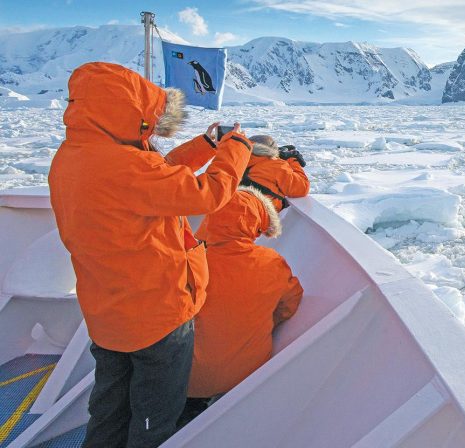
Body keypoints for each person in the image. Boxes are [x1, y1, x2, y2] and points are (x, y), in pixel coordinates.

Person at [48, 61, 252, 447]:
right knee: (153, 416)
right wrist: (236, 150)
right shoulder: (127, 167)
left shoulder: (75, 155)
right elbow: (206, 195)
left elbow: (159, 175)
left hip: (108, 312)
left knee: (109, 408)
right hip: (157, 316)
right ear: (126, 113)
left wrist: (205, 146)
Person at [182, 186, 303, 421]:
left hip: (187, 378)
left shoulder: (189, 261)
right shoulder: (271, 263)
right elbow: (289, 305)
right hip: (245, 377)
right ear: (255, 224)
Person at [241, 134, 310, 211]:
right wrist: (292, 160)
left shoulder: (236, 159)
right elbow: (302, 188)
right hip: (259, 214)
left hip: (236, 206)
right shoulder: (275, 165)